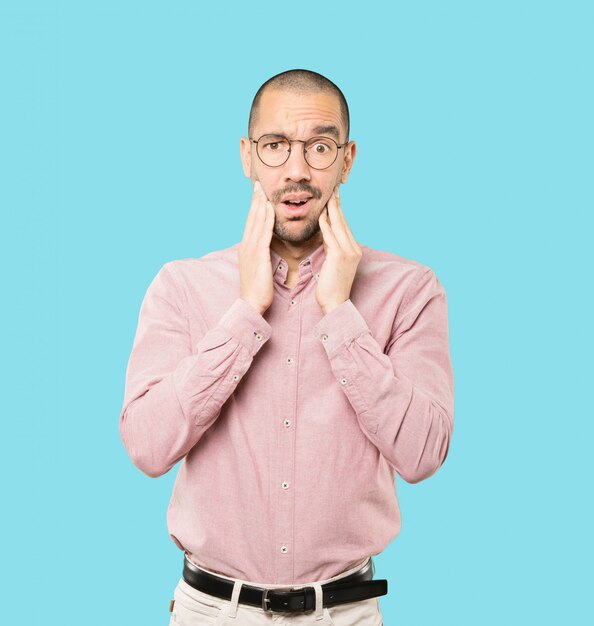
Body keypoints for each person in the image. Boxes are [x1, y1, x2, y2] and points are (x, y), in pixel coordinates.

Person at [119, 68, 454, 625]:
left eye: (319, 147)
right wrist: (247, 312)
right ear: (248, 156)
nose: (297, 171)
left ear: (347, 160)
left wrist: (341, 315)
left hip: (344, 615)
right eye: (276, 147)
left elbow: (422, 454)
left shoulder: (410, 289)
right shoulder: (181, 286)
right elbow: (147, 447)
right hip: (211, 614)